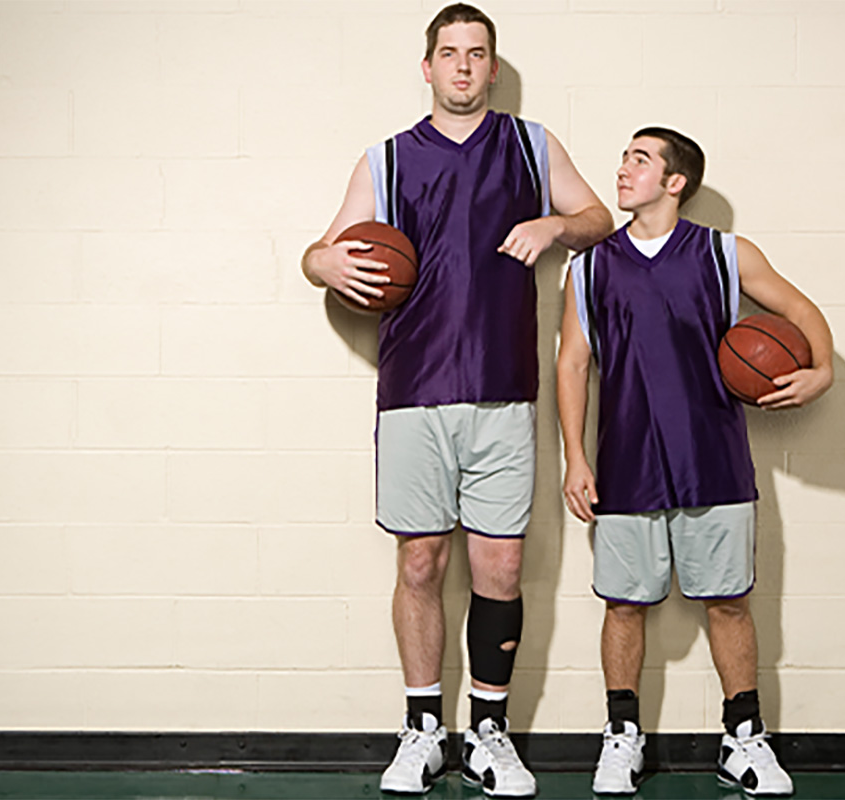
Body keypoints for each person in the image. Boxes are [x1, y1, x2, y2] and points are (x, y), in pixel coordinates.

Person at [301, 4, 613, 797]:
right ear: (428, 67)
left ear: (494, 67)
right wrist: (322, 265)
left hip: (506, 389)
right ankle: (421, 730)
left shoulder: (532, 144)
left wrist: (555, 225)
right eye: (450, 54)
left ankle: (490, 735)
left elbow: (600, 220)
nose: (464, 67)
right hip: (413, 389)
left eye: (478, 54)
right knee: (420, 561)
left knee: (500, 568)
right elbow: (320, 249)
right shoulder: (388, 159)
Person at [555, 128, 832, 797]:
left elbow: (800, 308)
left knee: (729, 603)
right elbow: (571, 361)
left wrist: (819, 373)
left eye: (640, 160)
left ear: (675, 181)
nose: (623, 169)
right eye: (625, 157)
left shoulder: (724, 253)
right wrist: (575, 457)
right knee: (624, 606)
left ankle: (743, 738)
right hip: (627, 461)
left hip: (713, 457)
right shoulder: (590, 266)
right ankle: (623, 738)